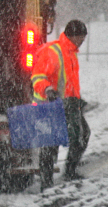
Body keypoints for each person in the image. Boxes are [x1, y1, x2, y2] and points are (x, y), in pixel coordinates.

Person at [30, 19, 91, 186]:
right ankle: (47, 182)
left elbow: (69, 81)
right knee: (51, 143)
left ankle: (69, 172)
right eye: (81, 36)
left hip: (70, 104)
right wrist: (48, 90)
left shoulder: (71, 52)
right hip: (52, 105)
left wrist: (77, 99)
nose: (83, 40)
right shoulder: (53, 52)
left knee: (81, 135)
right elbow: (37, 76)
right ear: (73, 36)